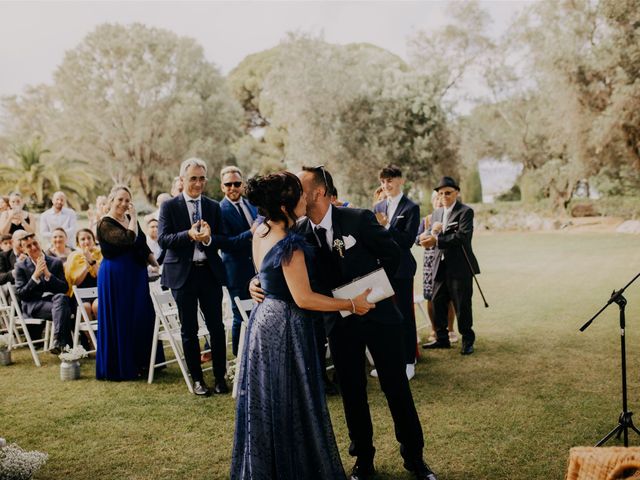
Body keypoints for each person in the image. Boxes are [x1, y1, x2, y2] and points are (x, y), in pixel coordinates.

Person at [251, 166, 438, 480]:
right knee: (352, 392)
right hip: (338, 324)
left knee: (396, 388)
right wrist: (255, 281)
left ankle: (415, 458)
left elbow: (394, 257)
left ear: (320, 191)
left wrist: (375, 293)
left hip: (379, 318)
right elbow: (276, 265)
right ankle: (363, 460)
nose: (296, 191)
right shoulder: (295, 232)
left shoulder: (358, 219)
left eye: (301, 186)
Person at [231, 172, 374, 480]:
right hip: (285, 324)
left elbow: (266, 274)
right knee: (290, 399)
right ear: (284, 205)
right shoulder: (291, 244)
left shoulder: (260, 229)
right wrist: (351, 304)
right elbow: (305, 298)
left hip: (263, 320)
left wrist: (256, 281)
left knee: (270, 397)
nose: (304, 199)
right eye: (298, 194)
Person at [158, 158, 228, 396]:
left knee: (217, 328)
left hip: (209, 273)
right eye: (192, 179)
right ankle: (198, 380)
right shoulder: (169, 206)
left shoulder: (213, 206)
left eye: (201, 178)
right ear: (182, 180)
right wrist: (188, 235)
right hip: (182, 276)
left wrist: (209, 239)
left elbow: (221, 238)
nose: (197, 184)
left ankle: (220, 377)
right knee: (189, 330)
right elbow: (163, 240)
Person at [96, 185, 161, 380]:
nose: (124, 204)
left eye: (127, 200)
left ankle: (145, 362)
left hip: (136, 274)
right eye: (120, 200)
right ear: (111, 201)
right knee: (122, 317)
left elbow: (141, 243)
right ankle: (124, 366)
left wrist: (156, 264)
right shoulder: (104, 224)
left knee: (141, 314)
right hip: (116, 275)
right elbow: (128, 240)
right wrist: (133, 218)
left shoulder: (130, 220)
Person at [419, 176, 480, 355]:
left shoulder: (465, 212)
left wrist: (436, 239)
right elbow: (431, 234)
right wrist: (425, 238)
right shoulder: (437, 213)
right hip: (440, 265)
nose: (444, 196)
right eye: (441, 193)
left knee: (462, 305)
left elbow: (462, 237)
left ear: (456, 193)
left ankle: (467, 340)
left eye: (448, 193)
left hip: (460, 266)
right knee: (437, 302)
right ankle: (442, 339)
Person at [372, 165, 420, 380]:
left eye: (390, 180)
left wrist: (388, 226)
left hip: (402, 269)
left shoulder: (411, 208)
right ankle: (390, 361)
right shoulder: (378, 205)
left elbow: (407, 241)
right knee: (384, 317)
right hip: (381, 269)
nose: (386, 185)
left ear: (401, 180)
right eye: (383, 181)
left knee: (404, 316)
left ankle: (409, 361)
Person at [218, 166, 258, 356]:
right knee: (239, 316)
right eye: (228, 184)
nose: (233, 187)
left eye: (236, 183)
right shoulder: (219, 210)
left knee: (258, 312)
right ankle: (238, 358)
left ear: (242, 185)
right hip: (236, 271)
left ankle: (255, 353)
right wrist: (249, 233)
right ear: (222, 187)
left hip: (257, 268)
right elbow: (225, 243)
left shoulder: (252, 204)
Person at [13, 230, 73, 353]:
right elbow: (21, 294)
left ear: (40, 243)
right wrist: (34, 277)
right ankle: (67, 346)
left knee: (61, 299)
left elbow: (64, 288)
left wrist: (48, 275)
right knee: (64, 309)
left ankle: (58, 341)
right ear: (23, 250)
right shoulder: (20, 266)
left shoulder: (55, 262)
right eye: (29, 246)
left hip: (54, 303)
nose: (34, 247)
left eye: (35, 243)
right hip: (33, 304)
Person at [417, 192, 457, 344]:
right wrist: (424, 236)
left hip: (447, 261)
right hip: (430, 263)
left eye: (441, 198)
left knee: (449, 298)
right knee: (430, 297)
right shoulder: (427, 219)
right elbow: (416, 239)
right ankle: (434, 329)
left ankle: (450, 330)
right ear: (432, 201)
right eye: (436, 199)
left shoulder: (451, 218)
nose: (439, 201)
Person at [65, 228, 102, 320]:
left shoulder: (101, 254)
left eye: (89, 238)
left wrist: (92, 262)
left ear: (94, 240)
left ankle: (102, 333)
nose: (86, 241)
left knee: (97, 306)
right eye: (83, 239)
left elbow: (102, 277)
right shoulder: (73, 256)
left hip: (98, 292)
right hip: (80, 294)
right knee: (85, 307)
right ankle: (90, 335)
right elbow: (75, 282)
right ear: (78, 243)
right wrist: (86, 266)